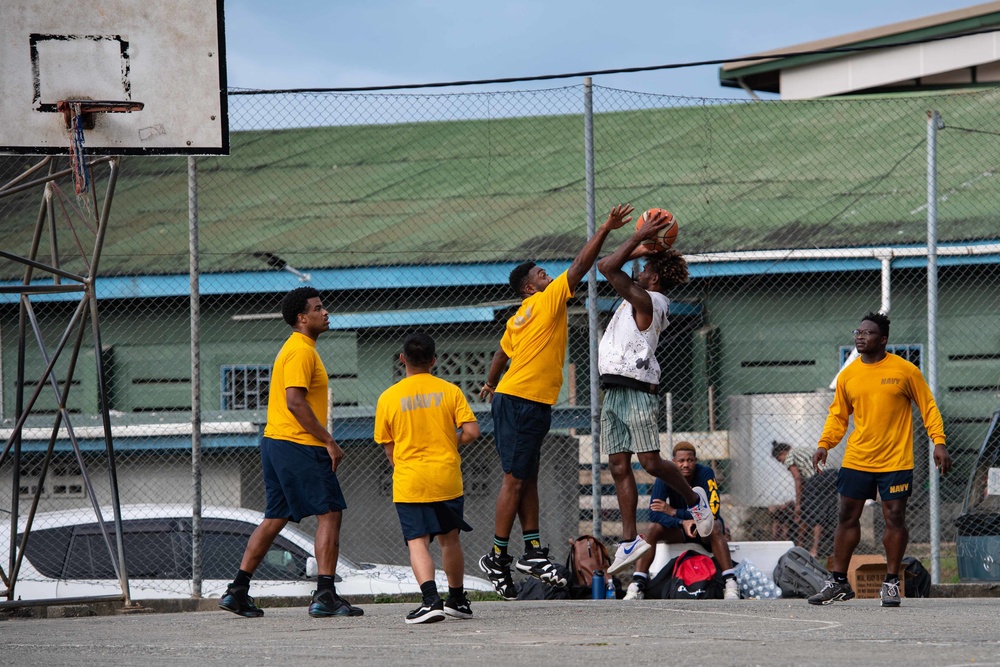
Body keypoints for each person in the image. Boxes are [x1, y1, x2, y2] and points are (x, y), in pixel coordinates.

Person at [476, 203, 635, 600]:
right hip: (522, 401)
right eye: (542, 275)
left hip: (521, 400)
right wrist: (607, 228)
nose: (550, 276)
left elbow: (500, 353)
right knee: (514, 480)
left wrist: (491, 383)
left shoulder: (520, 315)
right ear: (531, 287)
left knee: (526, 476)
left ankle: (530, 551)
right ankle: (496, 556)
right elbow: (581, 265)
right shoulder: (545, 302)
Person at [220, 286, 363, 618]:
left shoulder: (298, 348)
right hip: (298, 443)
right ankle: (326, 594)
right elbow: (295, 402)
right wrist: (328, 439)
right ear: (302, 318)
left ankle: (237, 590)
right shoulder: (301, 350)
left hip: (276, 444)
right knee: (329, 513)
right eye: (318, 308)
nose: (325, 312)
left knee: (274, 518)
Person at [595, 211, 714, 576]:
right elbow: (608, 265)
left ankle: (696, 501)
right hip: (613, 389)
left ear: (654, 278)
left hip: (638, 390)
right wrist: (642, 246)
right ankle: (629, 540)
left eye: (644, 268)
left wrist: (637, 240)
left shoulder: (651, 301)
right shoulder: (636, 297)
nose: (637, 271)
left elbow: (606, 268)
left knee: (648, 462)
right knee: (617, 466)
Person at [808, 312, 952, 608]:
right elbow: (838, 416)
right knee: (846, 516)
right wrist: (825, 443)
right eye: (857, 331)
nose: (860, 336)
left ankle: (890, 583)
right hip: (858, 457)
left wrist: (939, 442)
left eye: (867, 333)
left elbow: (929, 408)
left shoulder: (905, 371)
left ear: (883, 339)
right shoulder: (848, 374)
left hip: (895, 460)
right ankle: (837, 582)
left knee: (894, 517)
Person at [374, 332, 480, 624]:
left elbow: (389, 447)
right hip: (447, 477)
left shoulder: (389, 397)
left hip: (411, 480)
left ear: (402, 360)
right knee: (450, 540)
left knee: (417, 541)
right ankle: (457, 599)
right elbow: (472, 432)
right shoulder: (450, 391)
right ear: (434, 360)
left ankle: (430, 600)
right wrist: (449, 442)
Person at [624, 441, 739, 600]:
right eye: (681, 461)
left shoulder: (705, 473)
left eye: (690, 460)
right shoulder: (664, 477)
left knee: (716, 526)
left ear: (695, 461)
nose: (686, 464)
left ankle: (730, 583)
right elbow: (654, 514)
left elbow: (712, 511)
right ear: (673, 462)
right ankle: (638, 583)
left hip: (704, 530)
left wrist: (674, 512)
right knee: (653, 528)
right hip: (679, 530)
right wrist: (681, 523)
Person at [771, 440, 838, 558]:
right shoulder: (804, 450)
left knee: (812, 513)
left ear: (782, 453)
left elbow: (797, 478)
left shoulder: (789, 456)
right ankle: (832, 550)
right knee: (829, 513)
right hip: (833, 475)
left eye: (780, 460)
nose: (783, 463)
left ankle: (811, 549)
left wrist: (798, 504)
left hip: (817, 478)